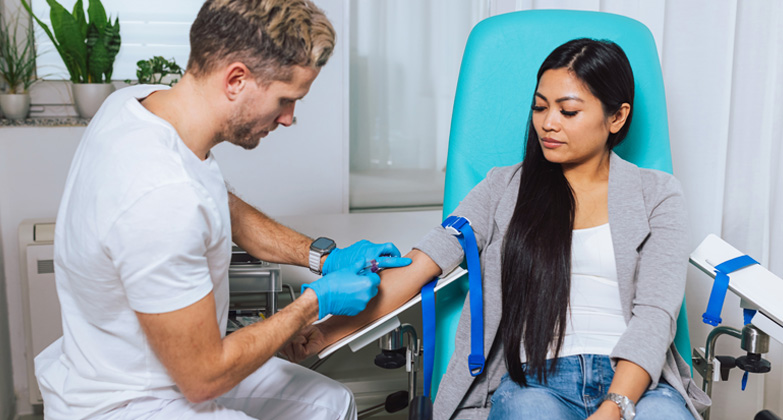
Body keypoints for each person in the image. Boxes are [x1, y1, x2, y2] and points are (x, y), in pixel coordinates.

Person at [285, 38, 711, 420]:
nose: (548, 123)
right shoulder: (502, 189)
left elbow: (655, 316)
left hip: (636, 383)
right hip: (538, 384)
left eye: (568, 111)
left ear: (616, 118)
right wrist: (323, 333)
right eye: (540, 106)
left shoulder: (657, 195)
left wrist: (615, 407)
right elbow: (418, 268)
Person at [33, 1, 411, 419]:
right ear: (235, 79)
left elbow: (219, 203)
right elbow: (204, 379)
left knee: (330, 404)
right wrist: (311, 304)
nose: (289, 119)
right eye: (286, 99)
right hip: (132, 401)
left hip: (145, 367)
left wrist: (322, 256)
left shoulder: (139, 108)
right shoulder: (159, 198)